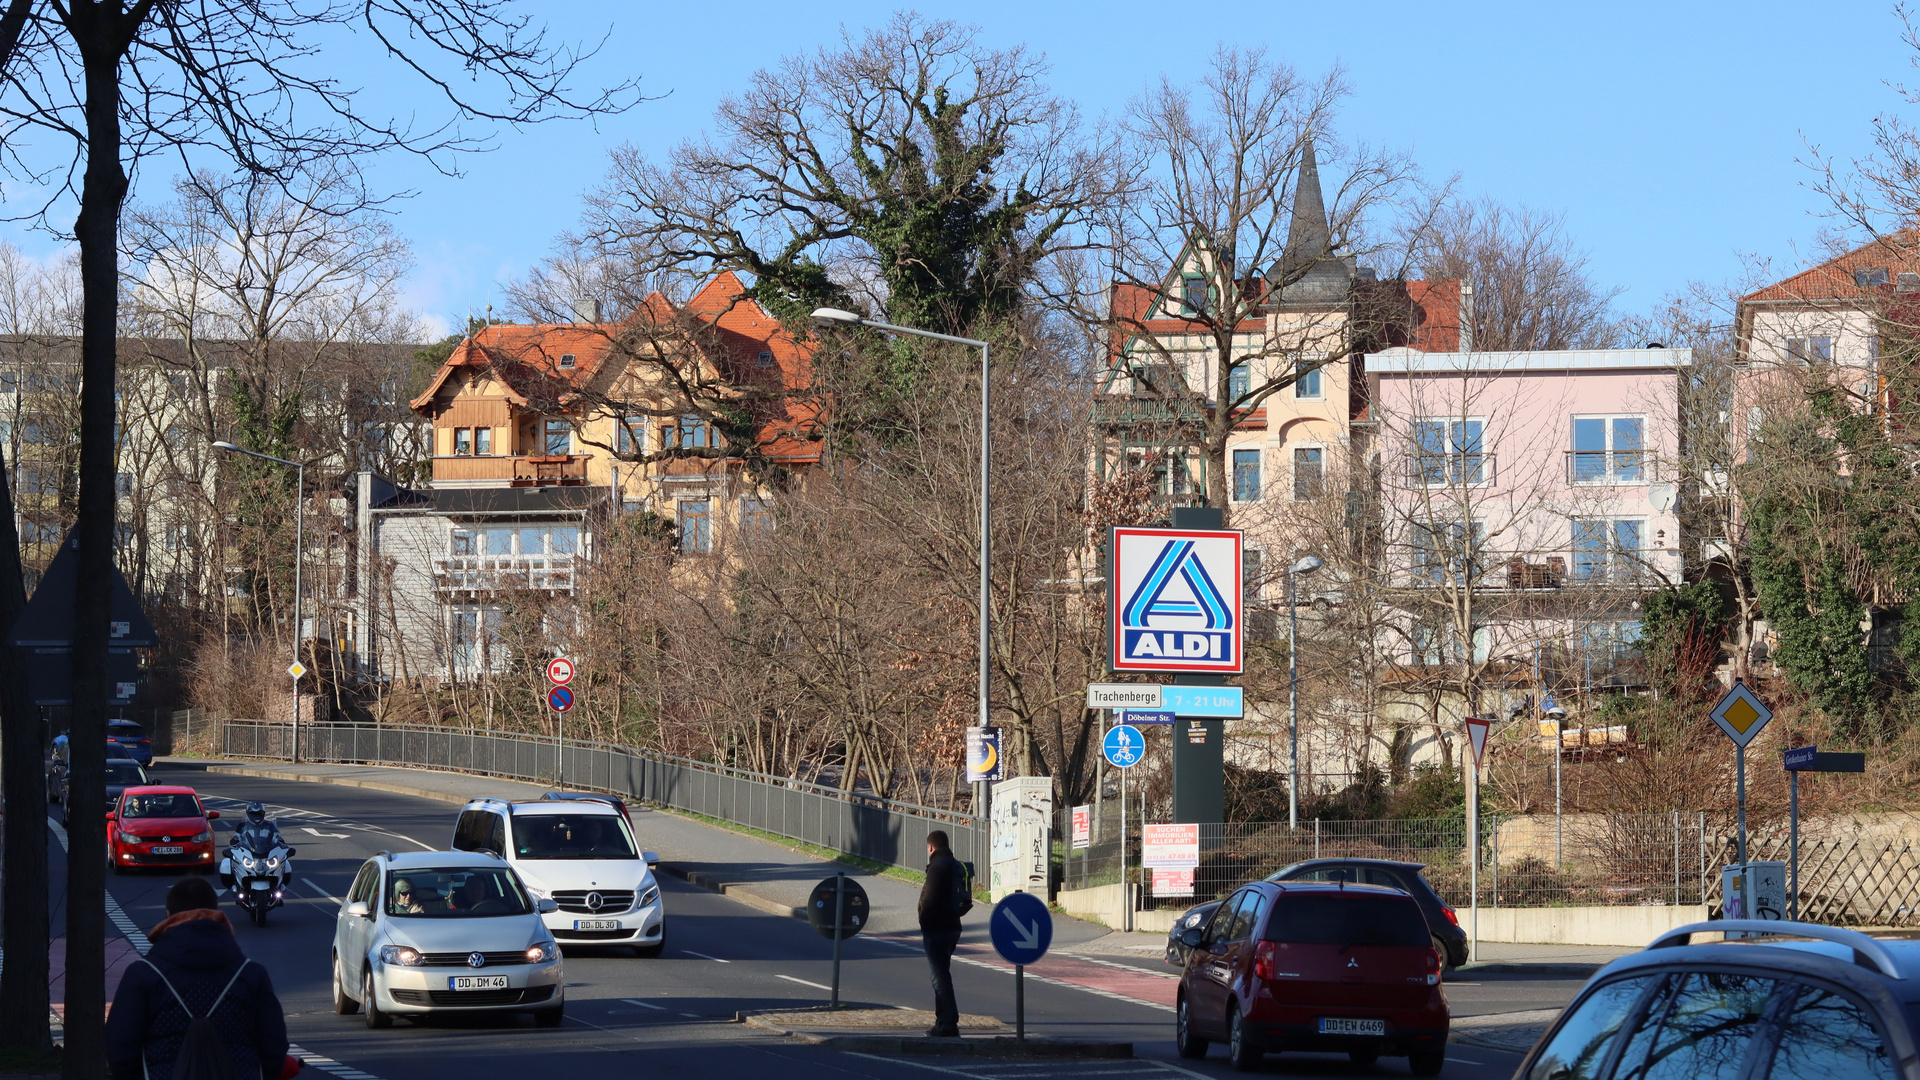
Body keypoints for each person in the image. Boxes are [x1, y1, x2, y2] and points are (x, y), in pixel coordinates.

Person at [105, 876, 290, 1080]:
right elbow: (274, 1047)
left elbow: (119, 1049)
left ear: (168, 916)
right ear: (218, 915)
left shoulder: (143, 975)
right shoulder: (250, 975)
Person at [917, 830, 965, 1038]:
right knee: (941, 974)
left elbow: (929, 900)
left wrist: (924, 923)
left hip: (938, 928)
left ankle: (948, 1023)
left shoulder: (938, 868)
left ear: (931, 848)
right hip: (953, 926)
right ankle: (942, 1021)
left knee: (939, 978)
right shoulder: (954, 865)